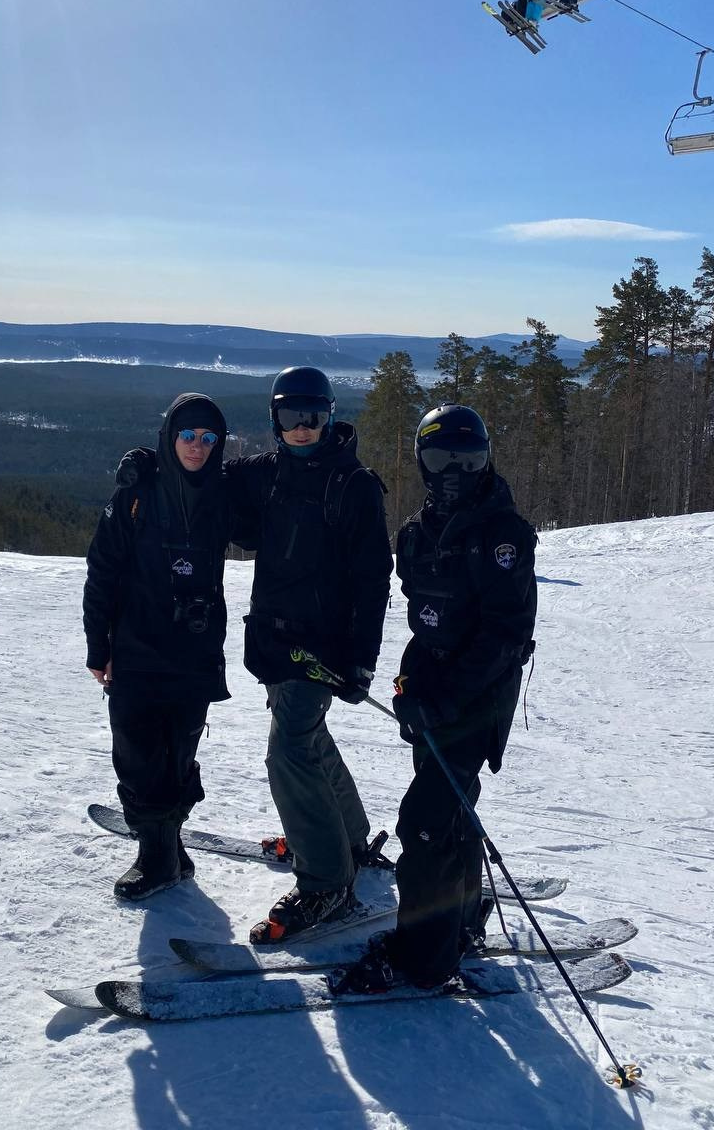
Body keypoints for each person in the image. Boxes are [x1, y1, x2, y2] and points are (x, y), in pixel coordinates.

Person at [332, 404, 537, 994]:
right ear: (423, 460)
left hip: (479, 698)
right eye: (443, 457)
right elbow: (426, 625)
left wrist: (444, 700)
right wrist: (409, 684)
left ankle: (422, 958)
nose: (456, 470)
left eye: (468, 458)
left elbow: (505, 635)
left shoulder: (502, 536)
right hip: (437, 692)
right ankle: (462, 913)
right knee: (452, 809)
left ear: (486, 459)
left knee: (423, 824)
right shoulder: (418, 533)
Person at [226, 366, 394, 942]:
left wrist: (361, 661)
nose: (302, 429)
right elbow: (201, 480)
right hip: (273, 641)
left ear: (329, 417)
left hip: (320, 648)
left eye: (313, 417)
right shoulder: (265, 474)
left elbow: (375, 580)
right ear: (275, 419)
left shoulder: (353, 485)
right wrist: (154, 467)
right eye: (291, 417)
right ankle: (345, 840)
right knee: (307, 737)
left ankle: (326, 882)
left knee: (290, 750)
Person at [82, 392, 233, 901]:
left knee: (178, 754)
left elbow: (285, 481)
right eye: (187, 436)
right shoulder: (136, 494)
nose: (197, 447)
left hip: (195, 652)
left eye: (208, 438)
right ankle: (157, 855)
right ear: (169, 437)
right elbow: (101, 571)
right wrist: (96, 645)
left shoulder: (224, 492)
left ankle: (168, 846)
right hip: (136, 650)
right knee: (137, 755)